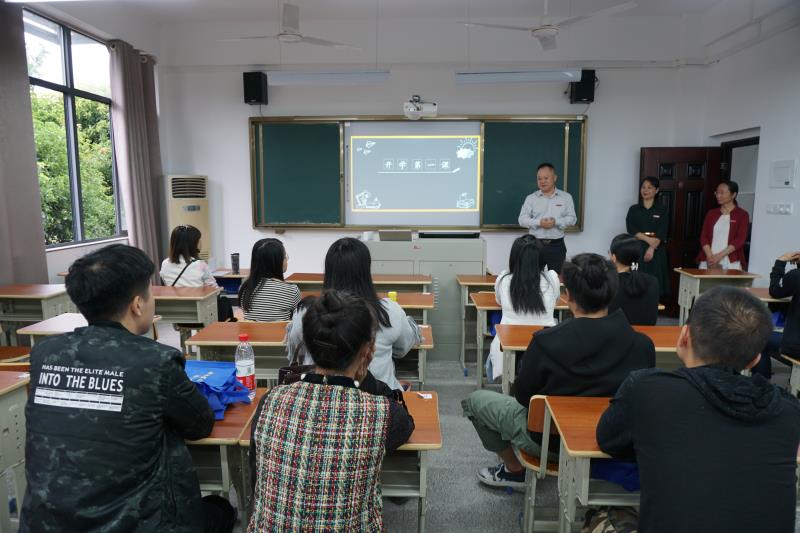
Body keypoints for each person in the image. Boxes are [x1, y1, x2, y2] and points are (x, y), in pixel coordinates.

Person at [20, 244, 234, 533]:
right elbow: (200, 424)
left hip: (47, 523)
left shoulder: (45, 353)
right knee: (220, 510)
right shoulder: (155, 361)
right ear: (137, 304)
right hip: (135, 523)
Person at [597, 286, 800, 533]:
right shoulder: (788, 411)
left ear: (684, 335)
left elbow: (608, 440)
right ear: (755, 359)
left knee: (600, 517)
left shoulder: (645, 389)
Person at [462, 253, 654, 490]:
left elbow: (523, 397)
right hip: (616, 442)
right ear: (612, 292)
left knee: (475, 401)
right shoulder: (643, 345)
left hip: (552, 444)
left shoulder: (546, 341)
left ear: (568, 295)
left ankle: (514, 470)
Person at [248, 291, 415, 531]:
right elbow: (406, 424)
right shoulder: (382, 414)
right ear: (368, 352)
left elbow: (257, 480)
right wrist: (364, 375)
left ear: (308, 344)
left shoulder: (270, 401)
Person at [287, 237, 421, 391]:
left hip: (318, 393)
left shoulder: (306, 312)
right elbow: (402, 349)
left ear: (328, 271)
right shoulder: (389, 311)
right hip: (378, 394)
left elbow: (298, 349)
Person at [486, 235, 560, 381]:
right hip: (545, 344)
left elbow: (499, 301)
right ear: (541, 258)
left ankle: (509, 383)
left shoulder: (503, 279)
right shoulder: (552, 278)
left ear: (514, 258)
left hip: (508, 343)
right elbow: (556, 301)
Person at [517, 162, 577, 273]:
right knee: (532, 277)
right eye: (539, 179)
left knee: (556, 278)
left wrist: (556, 222)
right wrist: (539, 222)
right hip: (534, 245)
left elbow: (572, 219)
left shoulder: (566, 197)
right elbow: (522, 220)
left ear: (555, 178)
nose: (542, 181)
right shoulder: (531, 198)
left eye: (546, 178)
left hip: (557, 245)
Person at [625, 176, 669, 296]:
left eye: (649, 187)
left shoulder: (662, 209)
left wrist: (651, 248)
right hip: (637, 248)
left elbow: (662, 231)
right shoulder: (634, 209)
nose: (645, 190)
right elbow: (631, 229)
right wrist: (648, 240)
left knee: (654, 283)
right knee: (636, 280)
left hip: (656, 250)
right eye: (643, 187)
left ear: (657, 190)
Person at [238, 238, 301, 321]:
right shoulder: (292, 290)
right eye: (285, 257)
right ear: (276, 261)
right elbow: (298, 318)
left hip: (252, 330)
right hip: (280, 330)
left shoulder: (245, 288)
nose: (287, 260)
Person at [608, 233, 660, 325]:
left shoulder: (607, 283)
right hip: (645, 333)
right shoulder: (652, 281)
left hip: (615, 333)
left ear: (614, 257)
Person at [697, 181, 750, 269]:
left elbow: (740, 239)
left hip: (730, 260)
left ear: (733, 195)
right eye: (717, 192)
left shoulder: (742, 215)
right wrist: (710, 256)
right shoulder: (711, 213)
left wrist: (719, 256)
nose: (718, 196)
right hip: (709, 259)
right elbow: (704, 236)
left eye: (722, 193)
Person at [770, 250, 800, 360]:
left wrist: (780, 262)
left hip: (795, 347)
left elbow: (774, 291)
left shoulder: (796, 275)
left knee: (761, 339)